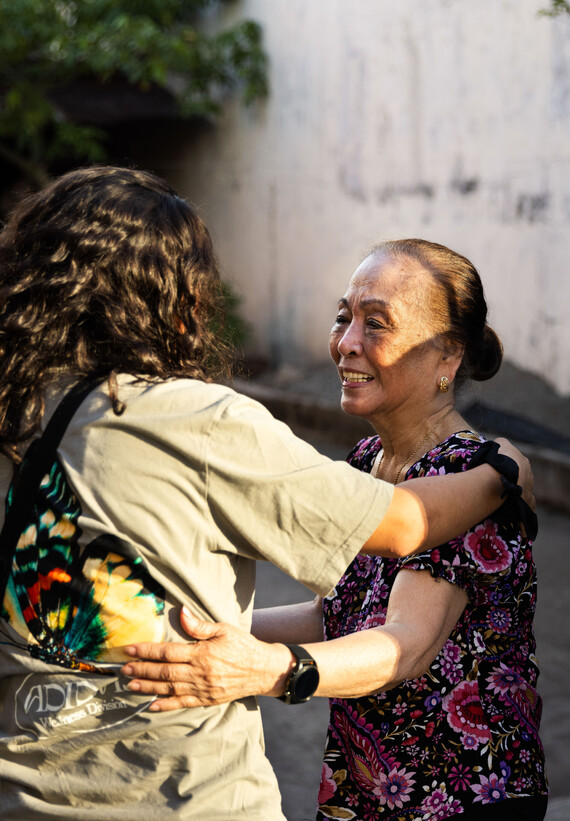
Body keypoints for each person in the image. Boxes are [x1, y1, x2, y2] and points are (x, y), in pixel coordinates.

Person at [122, 239, 547, 820]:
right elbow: (336, 613)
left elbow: (406, 644)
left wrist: (266, 668)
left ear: (447, 356)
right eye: (344, 317)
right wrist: (199, 631)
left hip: (462, 795)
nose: (346, 342)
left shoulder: (467, 473)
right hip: (371, 789)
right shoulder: (367, 460)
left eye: (377, 324)